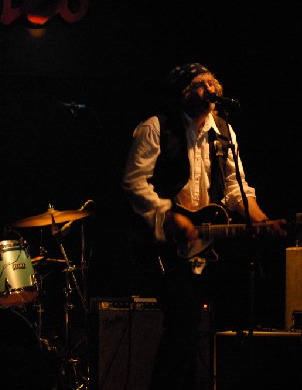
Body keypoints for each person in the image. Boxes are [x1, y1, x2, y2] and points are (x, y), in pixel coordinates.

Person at [121, 62, 286, 390]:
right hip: (163, 246)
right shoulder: (157, 127)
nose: (212, 88)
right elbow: (134, 181)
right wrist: (170, 215)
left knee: (216, 320)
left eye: (213, 82)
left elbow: (237, 189)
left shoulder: (224, 130)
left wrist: (263, 221)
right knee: (183, 322)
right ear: (184, 92)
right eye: (201, 83)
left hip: (204, 248)